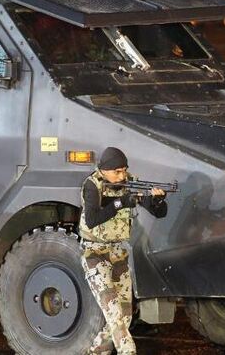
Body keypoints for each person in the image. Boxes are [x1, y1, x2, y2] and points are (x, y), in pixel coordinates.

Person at [79, 147, 167, 355]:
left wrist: (157, 200)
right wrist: (120, 203)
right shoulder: (93, 185)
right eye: (117, 171)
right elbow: (92, 220)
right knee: (114, 314)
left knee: (125, 315)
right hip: (95, 254)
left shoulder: (129, 183)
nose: (122, 175)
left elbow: (159, 213)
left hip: (118, 253)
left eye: (124, 170)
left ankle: (96, 352)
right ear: (104, 170)